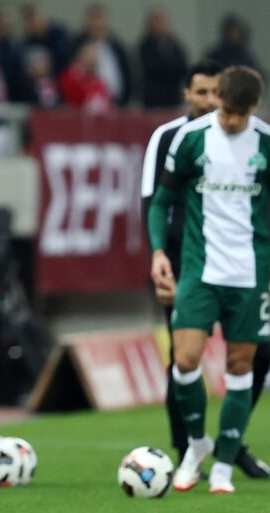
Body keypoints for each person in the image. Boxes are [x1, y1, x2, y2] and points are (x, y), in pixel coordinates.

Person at [148, 65, 270, 494]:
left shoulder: (267, 144)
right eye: (225, 110)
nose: (230, 120)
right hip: (199, 270)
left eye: (239, 113)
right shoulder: (191, 138)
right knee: (185, 361)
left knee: (241, 367)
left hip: (251, 274)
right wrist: (159, 252)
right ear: (217, 98)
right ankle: (197, 444)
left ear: (255, 108)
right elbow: (161, 201)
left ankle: (223, 468)